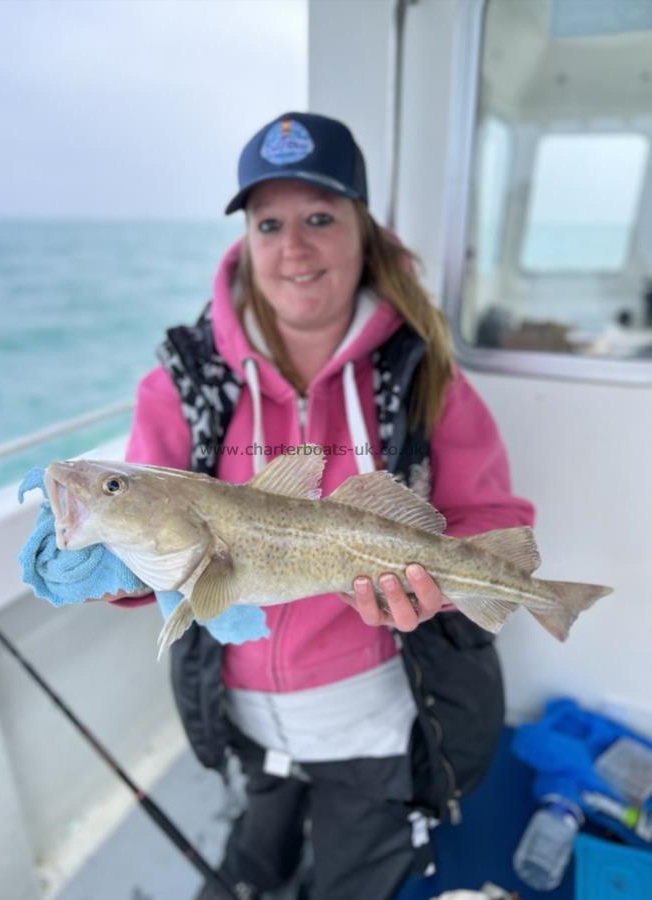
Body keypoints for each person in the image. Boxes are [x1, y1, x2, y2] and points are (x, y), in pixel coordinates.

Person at [118, 112, 534, 900]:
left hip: (372, 712)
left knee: (358, 873)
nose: (293, 248)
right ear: (244, 240)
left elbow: (486, 511)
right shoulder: (181, 382)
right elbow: (148, 530)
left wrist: (440, 588)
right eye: (268, 223)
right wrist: (103, 562)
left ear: (362, 232)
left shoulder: (423, 376)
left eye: (319, 218)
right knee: (257, 847)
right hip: (235, 707)